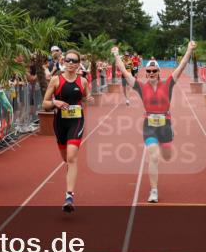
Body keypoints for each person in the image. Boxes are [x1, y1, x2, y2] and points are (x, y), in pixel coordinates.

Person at [113, 41, 196, 203]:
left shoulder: (168, 84)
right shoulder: (140, 87)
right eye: (149, 71)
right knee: (153, 156)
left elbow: (182, 65)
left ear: (158, 72)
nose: (151, 73)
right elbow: (124, 70)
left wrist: (189, 50)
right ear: (146, 73)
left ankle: (168, 143)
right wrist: (116, 54)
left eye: (154, 71)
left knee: (166, 155)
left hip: (166, 125)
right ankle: (154, 191)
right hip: (149, 125)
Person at [42, 49, 93, 212]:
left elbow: (85, 97)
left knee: (72, 156)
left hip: (76, 121)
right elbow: (44, 103)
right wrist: (55, 103)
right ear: (63, 62)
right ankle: (71, 169)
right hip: (60, 123)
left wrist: (88, 99)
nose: (71, 63)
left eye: (74, 61)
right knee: (67, 159)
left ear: (79, 64)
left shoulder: (83, 81)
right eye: (68, 60)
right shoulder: (56, 80)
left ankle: (69, 196)